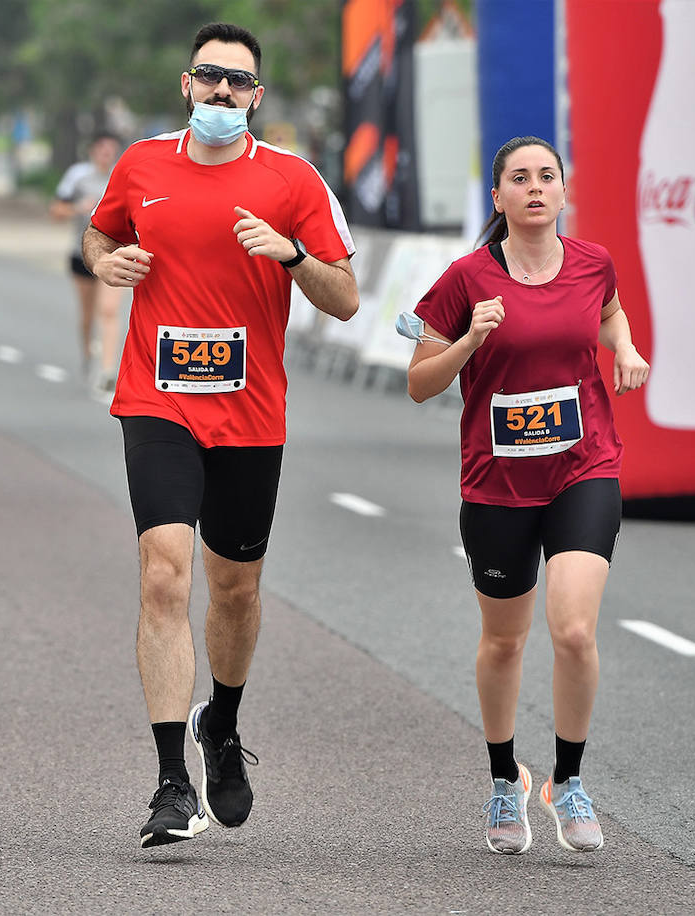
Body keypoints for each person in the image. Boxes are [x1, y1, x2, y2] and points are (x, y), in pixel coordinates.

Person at [83, 22, 359, 848]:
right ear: (185, 85)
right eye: (210, 78)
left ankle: (222, 725)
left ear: (258, 98)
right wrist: (104, 261)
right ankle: (172, 783)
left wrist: (290, 255)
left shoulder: (291, 179)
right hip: (157, 405)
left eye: (238, 83)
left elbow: (344, 298)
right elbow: (101, 232)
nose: (222, 94)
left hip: (249, 417)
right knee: (164, 576)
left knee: (234, 591)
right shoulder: (140, 165)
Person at [405, 135, 649, 855]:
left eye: (548, 176)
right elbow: (420, 383)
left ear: (563, 192)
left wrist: (626, 350)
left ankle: (567, 782)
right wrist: (469, 342)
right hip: (497, 484)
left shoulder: (592, 263)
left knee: (573, 630)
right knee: (505, 642)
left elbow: (606, 314)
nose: (536, 187)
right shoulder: (465, 279)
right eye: (521, 178)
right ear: (499, 196)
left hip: (584, 467)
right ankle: (503, 784)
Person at [50, 132, 124, 396]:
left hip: (114, 253)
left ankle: (107, 371)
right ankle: (88, 359)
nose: (106, 153)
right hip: (81, 252)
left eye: (111, 149)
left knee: (108, 311)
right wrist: (78, 208)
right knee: (87, 315)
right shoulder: (77, 176)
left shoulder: (121, 174)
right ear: (93, 150)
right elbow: (56, 210)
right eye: (102, 148)